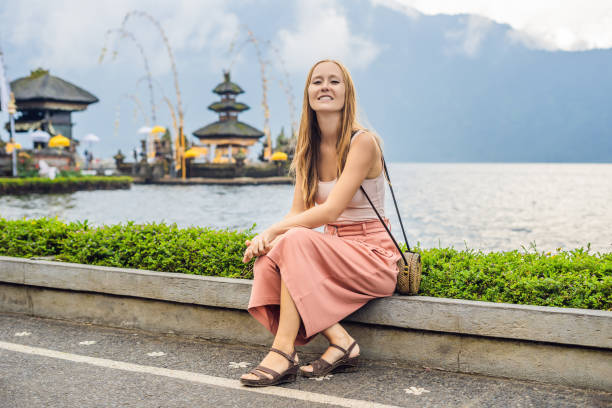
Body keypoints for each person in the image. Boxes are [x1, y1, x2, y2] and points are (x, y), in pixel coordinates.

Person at [240, 59, 402, 387]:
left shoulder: (363, 142)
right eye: (317, 81)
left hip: (373, 257)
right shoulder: (308, 150)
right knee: (271, 254)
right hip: (334, 250)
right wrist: (266, 238)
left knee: (291, 241)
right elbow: (297, 212)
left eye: (334, 81)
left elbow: (329, 212)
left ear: (347, 94)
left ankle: (283, 352)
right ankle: (342, 341)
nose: (325, 86)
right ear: (309, 95)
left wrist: (276, 231)